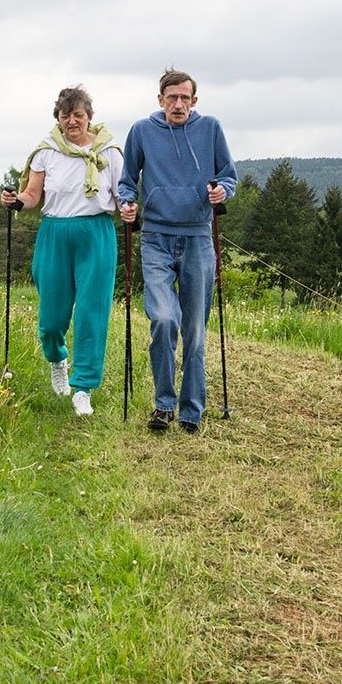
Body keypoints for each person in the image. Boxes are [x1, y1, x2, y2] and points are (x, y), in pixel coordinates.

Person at [117, 69, 236, 434]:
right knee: (164, 319)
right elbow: (126, 182)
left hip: (198, 238)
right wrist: (127, 204)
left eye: (185, 98)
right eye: (172, 98)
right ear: (160, 100)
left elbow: (228, 175)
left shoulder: (211, 128)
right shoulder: (141, 131)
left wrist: (222, 192)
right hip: (155, 237)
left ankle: (191, 411)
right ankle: (163, 404)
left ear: (195, 101)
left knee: (195, 330)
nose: (179, 104)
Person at [0, 86, 124, 416]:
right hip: (54, 233)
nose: (72, 121)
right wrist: (16, 202)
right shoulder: (46, 151)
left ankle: (83, 387)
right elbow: (32, 194)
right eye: (65, 115)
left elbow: (121, 193)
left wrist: (130, 208)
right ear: (58, 118)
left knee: (91, 313)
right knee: (52, 318)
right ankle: (58, 359)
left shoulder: (109, 151)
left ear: (89, 118)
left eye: (78, 115)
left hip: (96, 233)